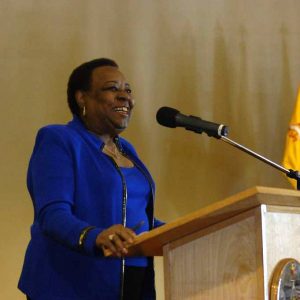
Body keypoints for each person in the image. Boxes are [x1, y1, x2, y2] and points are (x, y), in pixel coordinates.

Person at [18, 58, 164, 300]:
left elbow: (136, 217)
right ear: (81, 98)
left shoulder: (126, 150)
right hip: (71, 283)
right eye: (111, 88)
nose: (124, 96)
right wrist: (96, 235)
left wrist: (190, 230)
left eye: (127, 90)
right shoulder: (59, 139)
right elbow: (52, 215)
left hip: (132, 283)